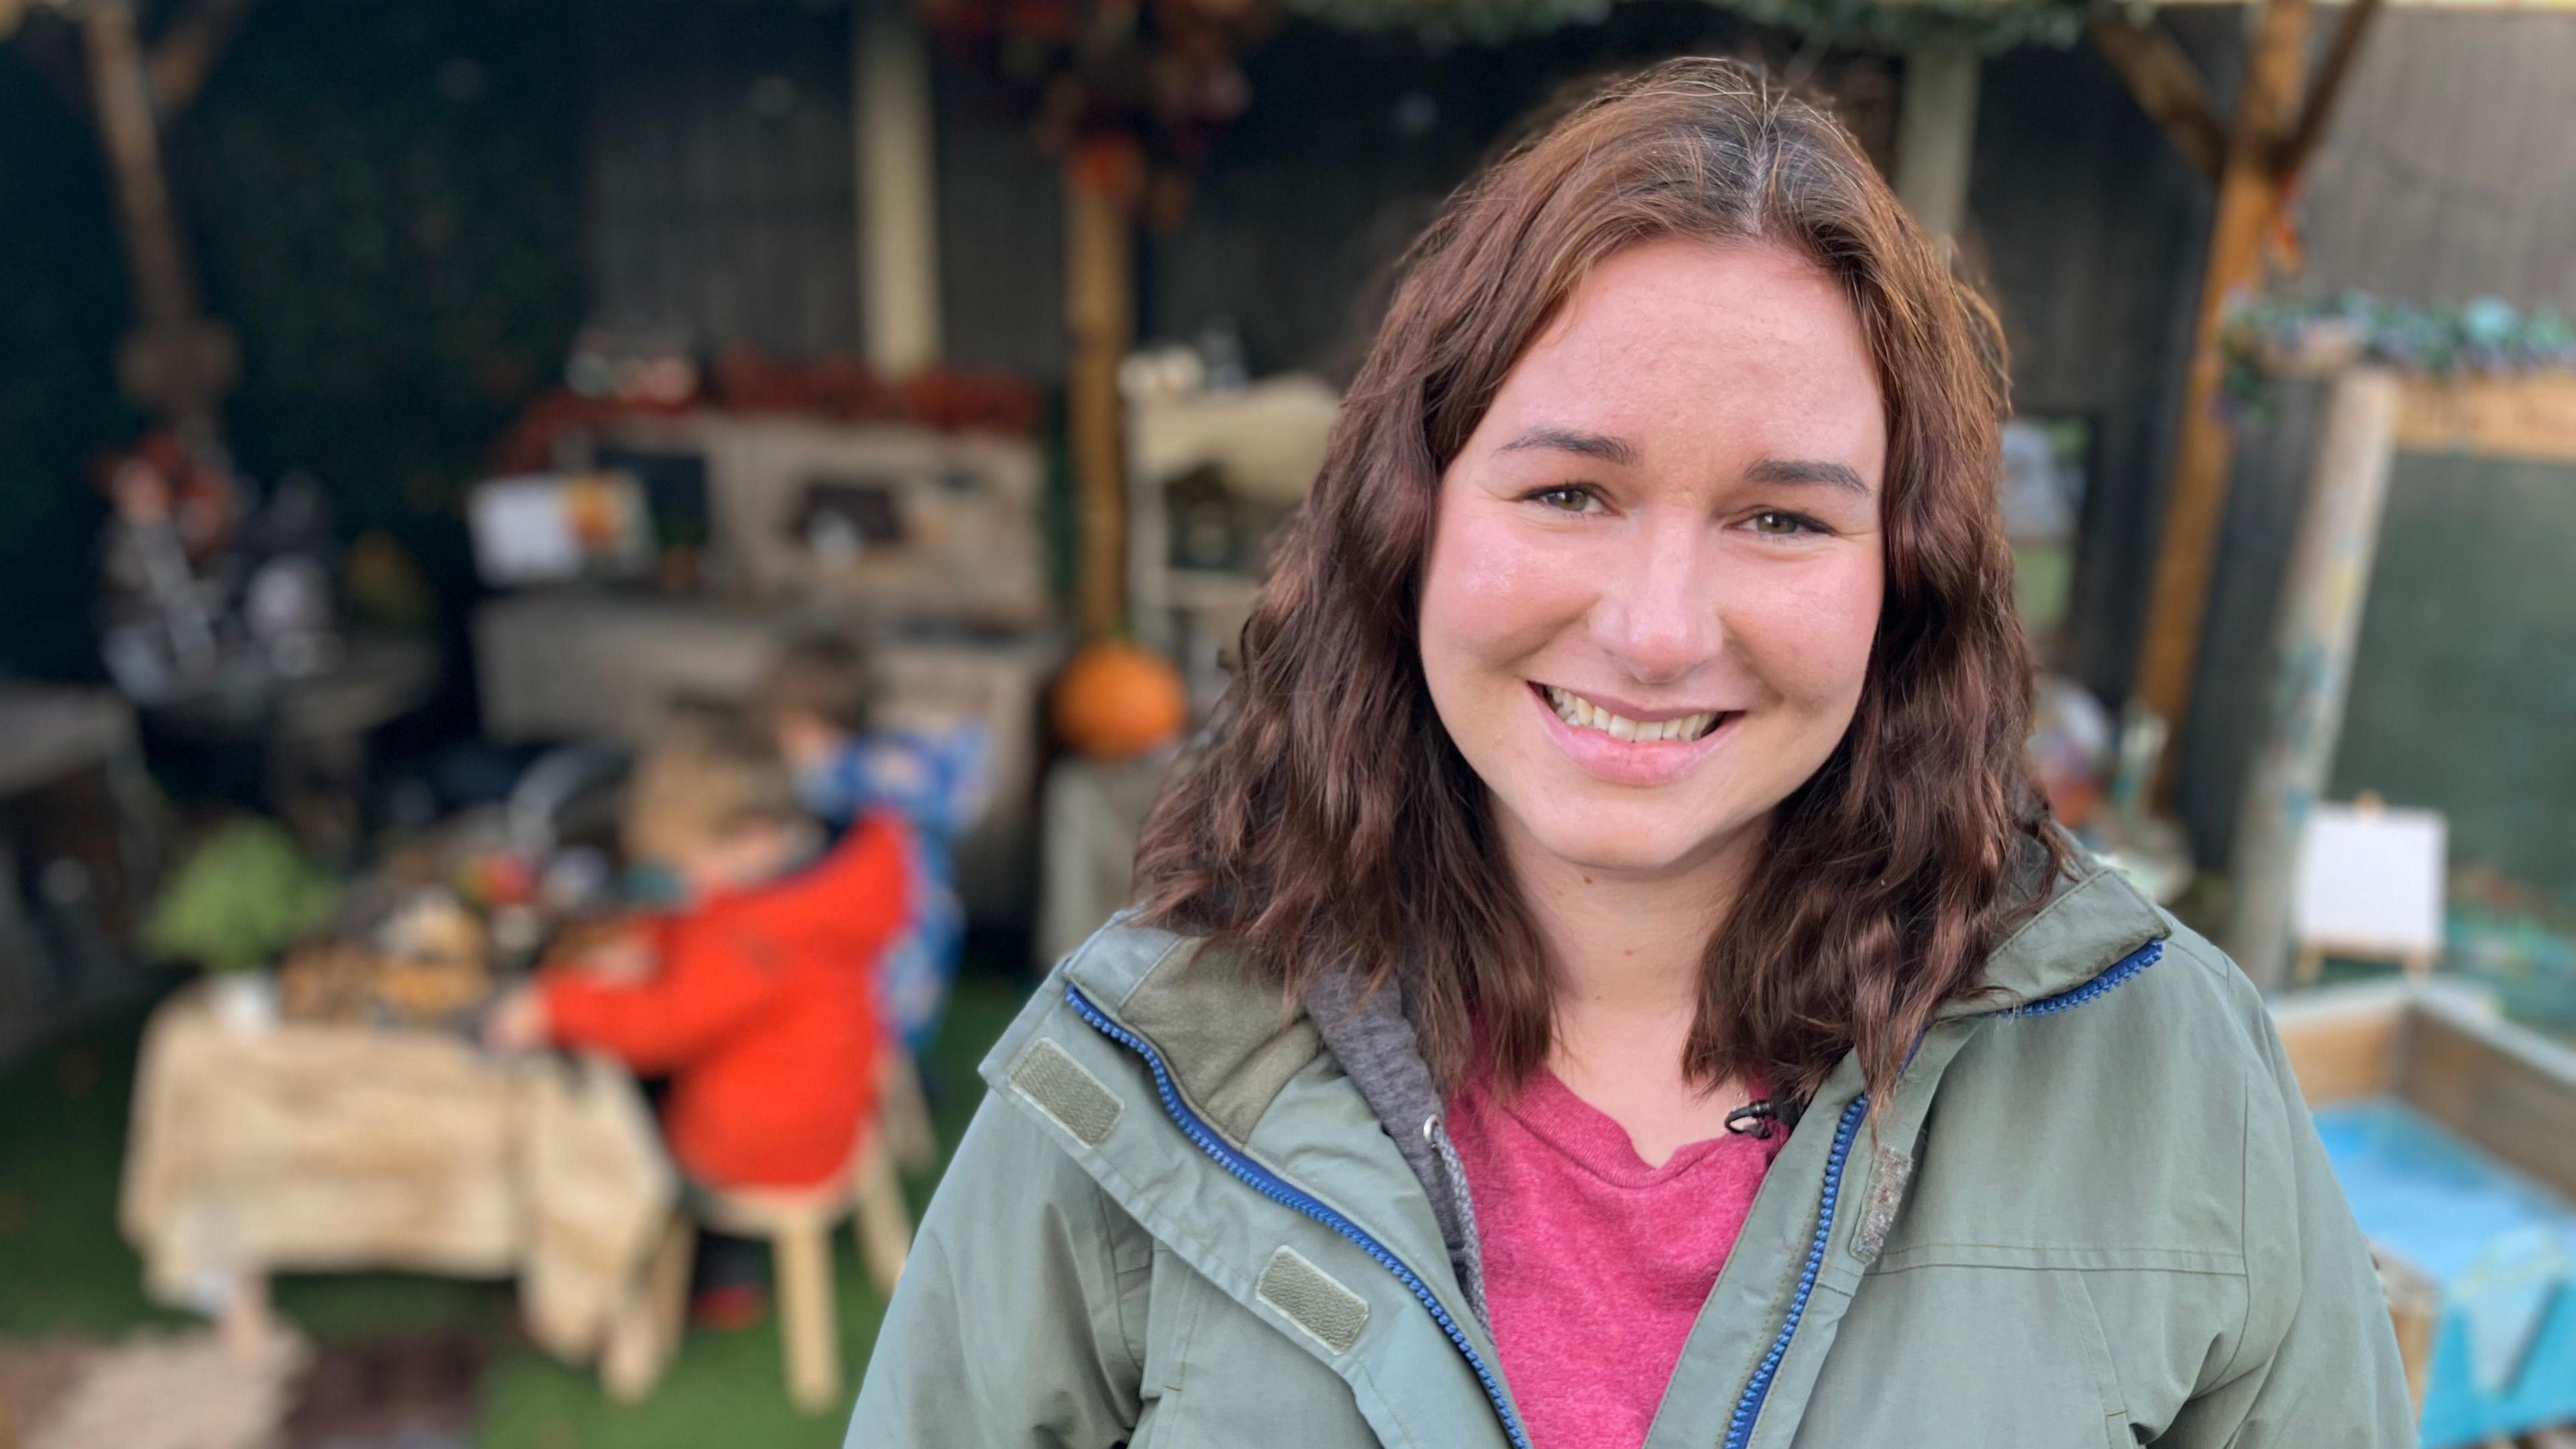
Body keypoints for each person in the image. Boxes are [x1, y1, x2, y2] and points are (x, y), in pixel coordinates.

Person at [852, 60, 2414, 1449]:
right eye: (1567, 492)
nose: (1658, 628)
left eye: (1780, 518)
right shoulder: (1140, 1067)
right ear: (1408, 525)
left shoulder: (2163, 1074)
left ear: (1907, 576)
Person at [484, 706, 910, 1201]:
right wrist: (657, 938)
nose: (689, 885)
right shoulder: (832, 878)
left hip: (759, 1151)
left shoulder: (756, 939)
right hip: (827, 1107)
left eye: (692, 867)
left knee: (611, 1108)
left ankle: (716, 1264)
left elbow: (661, 1026)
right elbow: (714, 929)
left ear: (755, 840)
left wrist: (553, 1005)